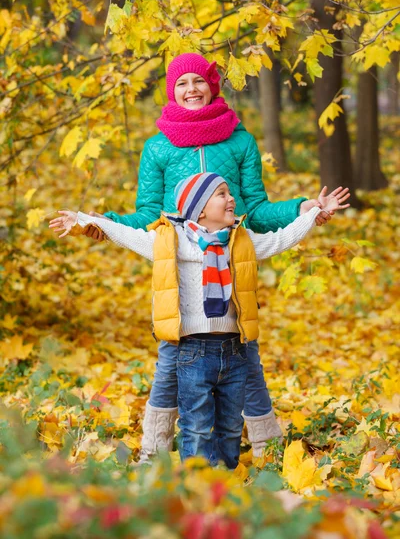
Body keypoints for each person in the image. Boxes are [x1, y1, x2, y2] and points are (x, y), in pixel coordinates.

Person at [78, 52, 334, 461]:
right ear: (171, 90)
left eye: (198, 81)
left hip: (231, 258)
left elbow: (257, 209)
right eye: (182, 83)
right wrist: (104, 222)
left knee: (247, 362)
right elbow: (147, 214)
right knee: (168, 369)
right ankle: (154, 453)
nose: (191, 89)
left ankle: (270, 451)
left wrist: (301, 210)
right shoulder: (158, 148)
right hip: (179, 265)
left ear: (212, 86)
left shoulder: (239, 140)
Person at [49, 173, 350, 468]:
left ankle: (225, 479)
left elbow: (282, 239)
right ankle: (196, 481)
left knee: (230, 427)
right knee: (196, 424)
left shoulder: (240, 241)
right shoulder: (171, 241)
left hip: (234, 349)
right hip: (191, 352)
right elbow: (127, 235)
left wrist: (315, 214)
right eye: (222, 194)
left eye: (229, 193)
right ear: (200, 209)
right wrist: (82, 220)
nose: (231, 199)